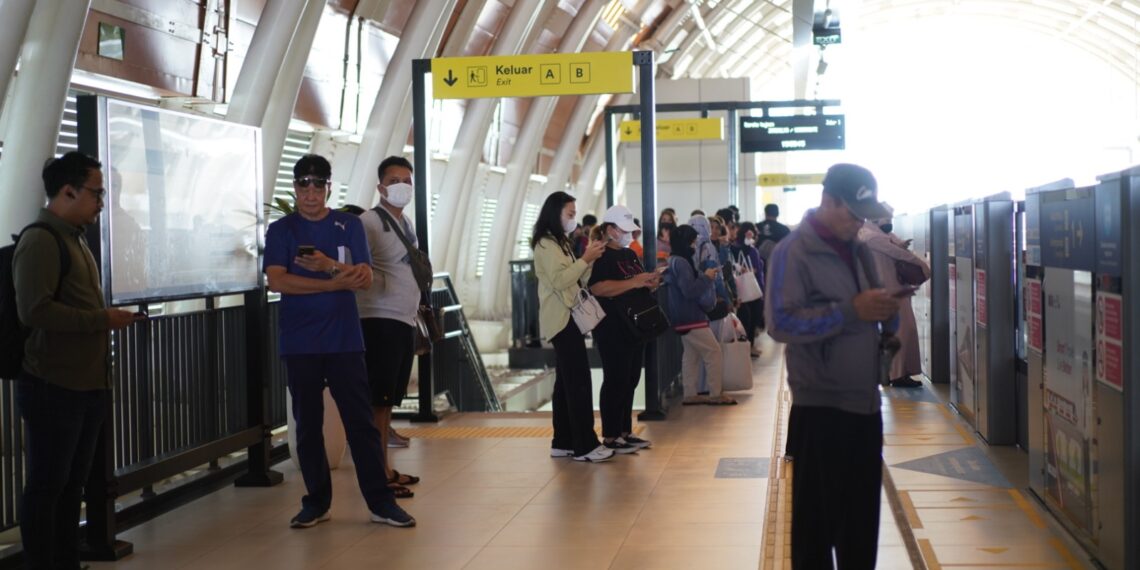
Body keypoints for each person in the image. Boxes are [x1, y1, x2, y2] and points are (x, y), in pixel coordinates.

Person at [264, 154, 415, 528]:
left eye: (318, 184)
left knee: (360, 422)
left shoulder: (348, 225)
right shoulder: (282, 230)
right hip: (300, 341)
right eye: (304, 183)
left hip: (344, 339)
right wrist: (334, 283)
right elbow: (278, 281)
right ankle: (316, 502)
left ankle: (380, 502)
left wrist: (329, 266)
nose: (311, 191)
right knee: (308, 424)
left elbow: (364, 277)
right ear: (295, 187)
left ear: (329, 187)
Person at [765, 163, 898, 569]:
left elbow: (865, 307)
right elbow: (780, 323)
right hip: (821, 408)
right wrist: (850, 311)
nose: (858, 223)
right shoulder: (793, 251)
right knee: (816, 531)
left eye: (863, 216)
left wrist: (884, 317)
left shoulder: (859, 249)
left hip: (864, 405)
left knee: (861, 529)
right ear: (828, 200)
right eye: (852, 214)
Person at [12, 152, 141, 569]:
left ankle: (66, 560)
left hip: (87, 384)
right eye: (96, 192)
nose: (102, 201)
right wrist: (102, 320)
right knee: (47, 486)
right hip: (53, 385)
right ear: (67, 191)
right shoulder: (41, 240)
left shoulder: (74, 237)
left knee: (71, 487)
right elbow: (34, 311)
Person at [355, 155, 423, 499]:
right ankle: (377, 475)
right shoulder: (368, 222)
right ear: (381, 187)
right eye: (394, 181)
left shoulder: (405, 222)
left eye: (407, 181)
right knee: (378, 404)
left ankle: (383, 468)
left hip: (402, 320)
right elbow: (357, 266)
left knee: (387, 403)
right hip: (379, 321)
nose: (402, 187)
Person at [531, 191, 613, 462]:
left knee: (565, 384)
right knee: (578, 381)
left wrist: (590, 259)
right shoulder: (545, 245)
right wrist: (585, 259)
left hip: (570, 317)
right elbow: (560, 280)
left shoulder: (560, 242)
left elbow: (577, 278)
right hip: (561, 320)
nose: (573, 218)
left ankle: (563, 440)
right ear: (555, 213)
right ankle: (584, 445)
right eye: (570, 214)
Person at [588, 205, 660, 454]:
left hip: (633, 325)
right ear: (610, 230)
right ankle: (610, 435)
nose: (629, 235)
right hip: (611, 326)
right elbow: (598, 288)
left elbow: (635, 282)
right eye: (624, 230)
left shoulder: (629, 255)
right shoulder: (601, 255)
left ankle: (624, 431)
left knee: (630, 379)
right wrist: (634, 282)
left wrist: (649, 282)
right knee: (615, 379)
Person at [662, 225, 736, 406]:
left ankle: (690, 393)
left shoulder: (673, 260)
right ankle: (715, 393)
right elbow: (690, 290)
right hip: (691, 316)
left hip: (681, 315)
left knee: (691, 355)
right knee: (714, 352)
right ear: (685, 242)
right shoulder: (682, 262)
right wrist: (707, 277)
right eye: (692, 242)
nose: (694, 246)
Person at [859, 212, 930, 388]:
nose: (889, 222)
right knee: (904, 331)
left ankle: (891, 373)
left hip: (892, 288)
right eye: (886, 218)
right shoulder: (871, 236)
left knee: (897, 332)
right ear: (874, 218)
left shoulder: (879, 234)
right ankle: (897, 375)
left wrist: (900, 243)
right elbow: (898, 253)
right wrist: (923, 266)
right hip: (890, 291)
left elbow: (894, 243)